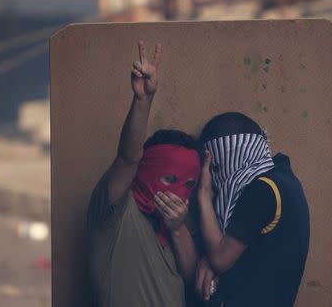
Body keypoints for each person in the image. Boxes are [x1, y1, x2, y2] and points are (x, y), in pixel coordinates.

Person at [86, 40, 203, 307]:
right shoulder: (116, 211)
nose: (177, 191)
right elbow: (128, 157)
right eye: (169, 179)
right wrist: (143, 100)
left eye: (188, 184)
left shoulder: (176, 224)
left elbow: (192, 278)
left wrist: (177, 229)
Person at [195, 112, 310, 307]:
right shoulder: (284, 180)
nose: (214, 181)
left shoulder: (263, 189)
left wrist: (204, 197)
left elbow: (220, 258)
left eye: (214, 168)